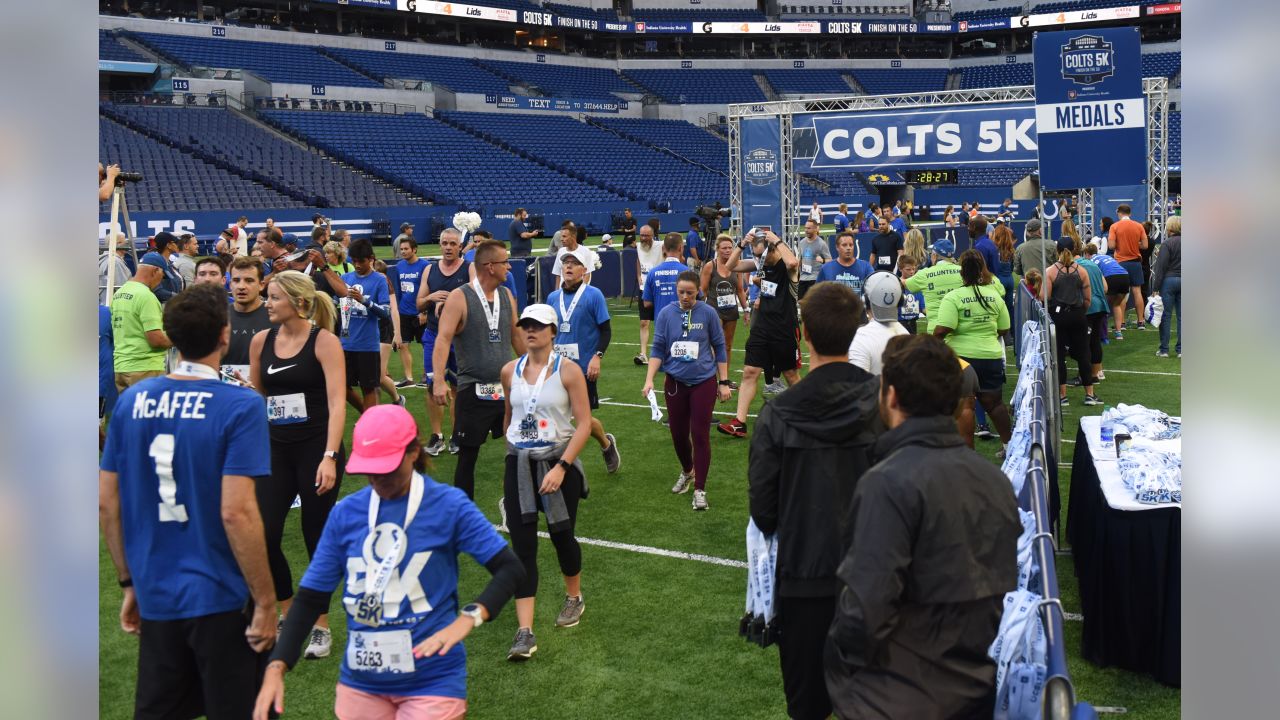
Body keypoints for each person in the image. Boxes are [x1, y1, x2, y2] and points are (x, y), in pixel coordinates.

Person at [254, 405, 524, 720]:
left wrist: (469, 618)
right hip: (361, 680)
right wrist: (277, 666)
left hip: (432, 679)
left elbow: (511, 569)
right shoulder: (346, 514)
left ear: (413, 453)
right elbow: (312, 596)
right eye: (370, 470)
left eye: (387, 469)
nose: (378, 479)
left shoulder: (448, 506)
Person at [99, 283, 277, 719]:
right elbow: (236, 512)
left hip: (158, 592)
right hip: (221, 595)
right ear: (223, 334)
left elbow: (107, 502)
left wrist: (128, 583)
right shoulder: (240, 405)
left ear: (171, 336)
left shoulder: (133, 401)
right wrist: (268, 602)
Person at [825, 334, 1020, 720]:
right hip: (972, 687)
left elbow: (864, 609)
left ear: (891, 396)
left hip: (897, 695)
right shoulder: (994, 479)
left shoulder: (889, 482)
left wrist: (840, 660)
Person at [749, 280, 879, 720]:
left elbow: (763, 511)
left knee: (808, 706)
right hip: (876, 576)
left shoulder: (777, 414)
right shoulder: (885, 402)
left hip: (805, 579)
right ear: (857, 330)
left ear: (803, 332)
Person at [248, 270, 347, 660]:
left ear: (299, 302)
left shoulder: (324, 342)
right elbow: (258, 397)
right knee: (264, 534)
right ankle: (290, 612)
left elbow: (338, 402)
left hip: (315, 448)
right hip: (275, 449)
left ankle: (321, 625)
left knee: (315, 535)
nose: (266, 303)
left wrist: (330, 456)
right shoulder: (261, 342)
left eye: (273, 297)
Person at [500, 304, 596, 659]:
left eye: (538, 326)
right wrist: (511, 464)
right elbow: (510, 417)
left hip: (558, 461)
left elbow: (584, 423)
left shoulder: (569, 372)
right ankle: (524, 631)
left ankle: (575, 596)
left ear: (553, 331)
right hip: (519, 463)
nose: (530, 331)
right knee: (522, 546)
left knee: (561, 537)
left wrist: (562, 467)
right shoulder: (509, 370)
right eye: (526, 325)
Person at [433, 240, 525, 500]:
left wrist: (535, 370)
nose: (508, 266)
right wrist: (439, 380)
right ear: (489, 266)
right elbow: (443, 339)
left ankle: (515, 505)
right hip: (473, 389)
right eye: (504, 262)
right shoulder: (460, 297)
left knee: (520, 448)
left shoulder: (507, 295)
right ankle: (464, 516)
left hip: (506, 388)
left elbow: (516, 335)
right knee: (467, 456)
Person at [642, 271, 731, 510]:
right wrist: (649, 379)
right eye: (681, 292)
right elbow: (658, 348)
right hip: (675, 383)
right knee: (679, 436)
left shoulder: (708, 313)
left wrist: (724, 381)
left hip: (703, 381)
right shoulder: (666, 313)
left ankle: (700, 489)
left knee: (700, 434)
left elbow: (719, 346)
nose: (685, 297)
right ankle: (687, 471)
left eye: (690, 293)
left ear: (697, 292)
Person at [719, 230, 800, 439]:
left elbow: (792, 263)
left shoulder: (786, 266)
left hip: (784, 329)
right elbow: (729, 268)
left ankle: (806, 416)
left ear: (773, 250)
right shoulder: (761, 264)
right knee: (749, 372)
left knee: (791, 375)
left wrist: (778, 240)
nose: (757, 261)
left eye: (761, 255)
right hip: (761, 327)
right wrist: (741, 244)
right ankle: (739, 423)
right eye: (755, 256)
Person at [547, 249, 622, 473]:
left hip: (582, 370)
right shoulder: (552, 298)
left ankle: (606, 444)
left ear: (584, 270)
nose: (568, 266)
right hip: (557, 369)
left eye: (574, 263)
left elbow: (606, 331)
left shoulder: (593, 295)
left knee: (584, 421)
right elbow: (548, 333)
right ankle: (560, 464)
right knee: (554, 416)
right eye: (565, 263)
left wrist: (596, 358)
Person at [933, 250, 1013, 456]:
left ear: (962, 273)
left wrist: (933, 344)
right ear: (982, 270)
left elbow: (943, 329)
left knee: (965, 406)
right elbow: (1004, 329)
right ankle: (1009, 447)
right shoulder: (994, 295)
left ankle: (967, 455)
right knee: (995, 405)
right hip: (991, 356)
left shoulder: (954, 297)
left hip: (962, 359)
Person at [417, 228, 470, 456]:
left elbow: (476, 300)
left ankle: (457, 434)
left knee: (459, 387)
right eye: (444, 243)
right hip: (433, 335)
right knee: (432, 386)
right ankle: (437, 436)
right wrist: (430, 298)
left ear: (460, 246)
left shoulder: (470, 269)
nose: (448, 247)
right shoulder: (429, 269)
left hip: (460, 338)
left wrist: (454, 302)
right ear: (440, 245)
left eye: (452, 244)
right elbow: (418, 303)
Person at [338, 240, 393, 412]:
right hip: (345, 343)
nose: (357, 265)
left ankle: (369, 420)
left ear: (370, 259)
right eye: (353, 260)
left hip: (367, 345)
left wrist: (364, 301)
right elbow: (336, 305)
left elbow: (385, 312)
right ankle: (367, 415)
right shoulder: (345, 278)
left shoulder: (379, 280)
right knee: (342, 387)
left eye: (361, 261)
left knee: (368, 388)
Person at [1045, 238, 1100, 406]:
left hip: (1058, 316)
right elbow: (1088, 298)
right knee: (1084, 354)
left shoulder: (1050, 271)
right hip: (1077, 315)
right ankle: (1089, 394)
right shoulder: (1082, 271)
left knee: (1059, 356)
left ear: (1057, 251)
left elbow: (1044, 297)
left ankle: (1062, 396)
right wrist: (1080, 311)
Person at [112, 254, 173, 393]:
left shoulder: (120, 293)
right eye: (162, 276)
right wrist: (179, 338)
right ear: (155, 271)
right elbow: (156, 340)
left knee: (130, 413)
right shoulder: (146, 296)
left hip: (121, 367)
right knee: (149, 414)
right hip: (145, 368)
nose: (160, 282)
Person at [700, 234, 748, 379]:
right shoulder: (710, 266)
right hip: (714, 310)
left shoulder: (737, 265)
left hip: (731, 310)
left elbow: (740, 290)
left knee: (727, 346)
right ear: (718, 249)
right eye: (724, 248)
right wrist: (701, 311)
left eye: (730, 247)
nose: (727, 250)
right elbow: (703, 290)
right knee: (715, 345)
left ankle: (724, 379)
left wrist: (746, 310)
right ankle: (710, 377)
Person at [223, 257, 274, 384]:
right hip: (228, 395)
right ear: (230, 284)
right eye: (236, 280)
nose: (241, 286)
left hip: (267, 395)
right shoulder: (216, 318)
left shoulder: (276, 317)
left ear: (261, 285)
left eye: (249, 280)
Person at [848, 272, 911, 375]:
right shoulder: (905, 334)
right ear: (900, 300)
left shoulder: (861, 337)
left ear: (865, 300)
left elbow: (857, 385)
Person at [392, 235, 430, 387]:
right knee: (404, 345)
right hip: (404, 313)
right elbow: (399, 291)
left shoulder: (425, 266)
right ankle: (408, 378)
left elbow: (429, 289)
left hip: (420, 313)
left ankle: (427, 375)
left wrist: (424, 312)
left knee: (426, 345)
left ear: (414, 249)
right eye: (401, 249)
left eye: (406, 249)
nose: (403, 252)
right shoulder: (399, 267)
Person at [903, 238, 963, 335]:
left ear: (934, 256)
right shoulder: (962, 271)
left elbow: (905, 284)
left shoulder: (925, 274)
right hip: (959, 329)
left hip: (936, 331)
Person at [371, 259, 407, 409]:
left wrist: (397, 332)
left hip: (384, 328)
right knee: (370, 378)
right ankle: (373, 413)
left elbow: (393, 308)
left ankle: (398, 399)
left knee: (378, 375)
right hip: (367, 329)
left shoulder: (383, 279)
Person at [1109, 204, 1150, 330]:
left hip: (1121, 263)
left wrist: (1120, 244)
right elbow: (1145, 246)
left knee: (1122, 293)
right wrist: (1134, 244)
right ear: (1130, 213)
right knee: (1137, 291)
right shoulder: (1138, 226)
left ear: (1118, 213)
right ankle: (1141, 321)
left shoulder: (1114, 226)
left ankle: (1121, 323)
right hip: (1135, 262)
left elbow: (1111, 246)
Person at [642, 232, 689, 333]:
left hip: (661, 324)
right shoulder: (687, 272)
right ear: (681, 248)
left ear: (663, 248)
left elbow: (646, 303)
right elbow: (698, 298)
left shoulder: (652, 273)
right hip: (682, 324)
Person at [1076, 243, 1110, 384]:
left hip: (1088, 307)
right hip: (1101, 306)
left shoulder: (1073, 266)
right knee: (1095, 341)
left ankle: (1085, 376)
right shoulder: (1093, 264)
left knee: (1084, 343)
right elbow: (1106, 288)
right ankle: (1095, 374)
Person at [633, 224, 666, 365]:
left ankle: (664, 353)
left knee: (662, 322)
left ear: (653, 235)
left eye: (646, 235)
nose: (643, 238)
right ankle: (643, 354)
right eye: (642, 235)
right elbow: (639, 261)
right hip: (644, 288)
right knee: (644, 322)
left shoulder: (661, 245)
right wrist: (639, 276)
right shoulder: (639, 247)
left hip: (659, 289)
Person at [1151, 215, 1182, 358]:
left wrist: (1155, 288)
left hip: (1169, 281)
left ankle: (1164, 349)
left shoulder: (1167, 244)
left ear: (1169, 228)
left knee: (1166, 316)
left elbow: (1160, 267)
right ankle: (1181, 350)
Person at [797, 219, 831, 299]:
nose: (806, 230)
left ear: (815, 229)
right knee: (801, 304)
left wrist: (822, 261)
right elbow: (800, 259)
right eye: (805, 228)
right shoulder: (801, 243)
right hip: (803, 278)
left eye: (809, 228)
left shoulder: (821, 244)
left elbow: (829, 261)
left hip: (815, 279)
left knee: (813, 304)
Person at [151, 231, 186, 304]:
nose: (178, 245)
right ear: (169, 245)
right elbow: (156, 290)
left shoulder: (167, 262)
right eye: (175, 243)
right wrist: (180, 298)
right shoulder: (156, 263)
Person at [990, 223, 1017, 316]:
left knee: (998, 309)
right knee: (1009, 309)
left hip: (998, 280)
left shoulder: (994, 250)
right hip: (1009, 280)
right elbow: (1013, 267)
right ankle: (1012, 330)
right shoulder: (1010, 250)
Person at [100, 231, 133, 304]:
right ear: (118, 244)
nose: (127, 245)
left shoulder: (106, 260)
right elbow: (123, 288)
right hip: (115, 305)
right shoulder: (115, 262)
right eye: (125, 242)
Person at [895, 256, 924, 334]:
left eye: (913, 269)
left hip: (913, 323)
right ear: (900, 269)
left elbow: (923, 308)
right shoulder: (894, 286)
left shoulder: (918, 287)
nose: (911, 272)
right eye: (908, 269)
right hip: (899, 324)